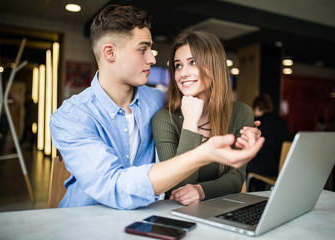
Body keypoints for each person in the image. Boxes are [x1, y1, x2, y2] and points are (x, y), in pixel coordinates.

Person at [50, 4, 264, 210]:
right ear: (109, 53)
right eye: (143, 49)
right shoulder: (70, 117)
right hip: (84, 219)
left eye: (150, 48)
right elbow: (115, 188)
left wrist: (247, 132)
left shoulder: (159, 100)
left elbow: (200, 101)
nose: (153, 58)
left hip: (147, 214)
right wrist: (204, 153)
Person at [152, 31, 255, 205]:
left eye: (193, 63)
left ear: (214, 67)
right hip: (177, 214)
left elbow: (236, 178)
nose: (183, 73)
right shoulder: (165, 118)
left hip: (222, 208)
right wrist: (190, 123)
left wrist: (201, 191)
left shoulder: (241, 112)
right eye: (178, 66)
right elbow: (177, 186)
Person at [246, 94, 292, 191]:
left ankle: (251, 195)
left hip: (264, 168)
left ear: (257, 108)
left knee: (244, 164)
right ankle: (260, 190)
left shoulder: (257, 123)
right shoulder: (281, 121)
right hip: (282, 168)